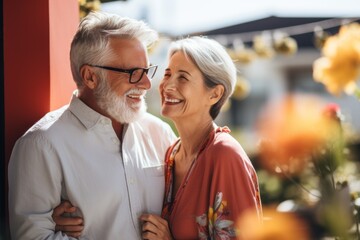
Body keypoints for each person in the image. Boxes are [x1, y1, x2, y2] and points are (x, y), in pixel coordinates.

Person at [55, 36, 262, 239]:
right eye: (167, 74)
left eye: (183, 77)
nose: (168, 85)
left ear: (215, 94)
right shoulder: (171, 153)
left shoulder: (225, 155)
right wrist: (63, 220)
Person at [8, 11, 176, 240]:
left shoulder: (160, 133)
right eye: (133, 73)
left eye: (146, 71)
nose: (146, 84)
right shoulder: (41, 145)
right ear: (90, 77)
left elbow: (186, 212)